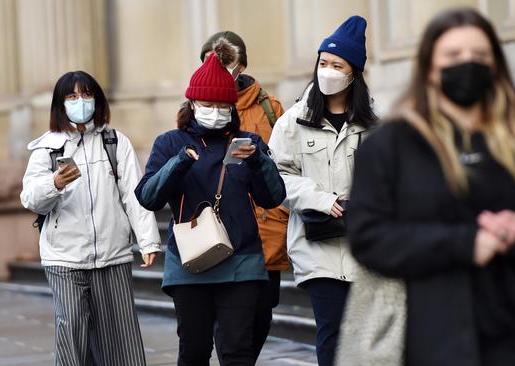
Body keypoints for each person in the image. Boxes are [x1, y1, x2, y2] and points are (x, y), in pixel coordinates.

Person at [346, 8, 515, 366]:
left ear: (495, 65)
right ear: (430, 68)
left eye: (479, 55)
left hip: (509, 338)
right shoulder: (391, 145)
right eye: (454, 56)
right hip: (423, 338)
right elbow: (368, 238)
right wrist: (464, 244)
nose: (468, 64)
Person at [134, 41, 286, 366]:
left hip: (241, 263)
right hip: (189, 264)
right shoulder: (170, 143)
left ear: (232, 107)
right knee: (194, 351)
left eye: (222, 105)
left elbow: (273, 197)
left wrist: (259, 160)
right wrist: (179, 163)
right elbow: (147, 197)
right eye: (207, 103)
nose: (215, 111)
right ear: (192, 102)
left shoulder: (247, 143)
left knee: (237, 352)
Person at [20, 70, 162, 365]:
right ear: (60, 104)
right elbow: (30, 198)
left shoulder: (115, 142)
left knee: (120, 341)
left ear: (97, 99)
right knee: (73, 332)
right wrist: (55, 183)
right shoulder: (47, 148)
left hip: (113, 255)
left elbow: (134, 195)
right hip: (64, 257)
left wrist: (148, 241)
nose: (80, 101)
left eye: (86, 94)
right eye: (71, 96)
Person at [268, 15, 378, 366]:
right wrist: (320, 199)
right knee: (331, 334)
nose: (327, 71)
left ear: (353, 73)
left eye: (337, 65)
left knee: (366, 339)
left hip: (366, 247)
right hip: (318, 248)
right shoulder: (294, 120)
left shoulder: (375, 122)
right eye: (323, 63)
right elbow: (276, 176)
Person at [199, 31, 289, 361]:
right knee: (228, 325)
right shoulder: (197, 108)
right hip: (219, 230)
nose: (222, 70)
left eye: (228, 64)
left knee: (261, 315)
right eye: (214, 63)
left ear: (243, 64)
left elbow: (284, 169)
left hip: (265, 230)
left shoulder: (270, 108)